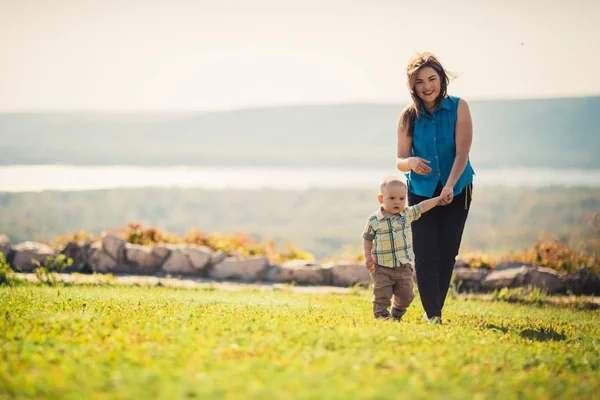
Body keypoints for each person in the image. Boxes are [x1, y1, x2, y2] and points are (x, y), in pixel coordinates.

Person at [396, 52, 475, 325]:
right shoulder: (408, 116)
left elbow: (462, 152)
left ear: (442, 79)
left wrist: (450, 186)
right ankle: (434, 315)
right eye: (420, 81)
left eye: (432, 78)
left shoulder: (459, 107)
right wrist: (411, 162)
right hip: (421, 192)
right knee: (425, 252)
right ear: (413, 86)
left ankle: (435, 310)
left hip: (458, 187)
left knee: (447, 252)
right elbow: (399, 160)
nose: (427, 86)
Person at [362, 176, 441, 321]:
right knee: (382, 294)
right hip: (381, 266)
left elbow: (421, 207)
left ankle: (397, 312)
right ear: (381, 199)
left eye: (401, 198)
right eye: (392, 198)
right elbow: (367, 238)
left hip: (403, 266)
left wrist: (438, 199)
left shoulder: (406, 214)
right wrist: (367, 256)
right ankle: (381, 316)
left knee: (407, 295)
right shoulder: (374, 220)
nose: (397, 202)